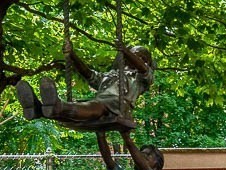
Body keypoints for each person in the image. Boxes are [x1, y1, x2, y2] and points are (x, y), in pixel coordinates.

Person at [15, 41, 155, 124]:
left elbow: (144, 69)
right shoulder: (111, 75)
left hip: (118, 106)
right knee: (82, 105)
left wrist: (125, 50)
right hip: (100, 103)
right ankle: (37, 109)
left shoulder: (140, 79)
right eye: (135, 54)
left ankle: (57, 106)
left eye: (142, 57)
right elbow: (89, 74)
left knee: (94, 106)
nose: (138, 58)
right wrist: (72, 55)